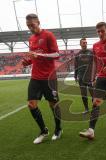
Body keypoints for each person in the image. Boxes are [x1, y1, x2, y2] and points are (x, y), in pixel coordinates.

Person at [22, 13, 62, 144]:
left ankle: (58, 129)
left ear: (38, 22)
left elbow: (57, 54)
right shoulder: (31, 38)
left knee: (53, 104)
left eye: (32, 25)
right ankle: (44, 130)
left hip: (49, 77)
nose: (30, 28)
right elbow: (34, 57)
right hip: (35, 77)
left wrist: (39, 55)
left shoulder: (48, 35)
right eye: (28, 26)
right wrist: (27, 62)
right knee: (31, 104)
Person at [74, 38, 94, 114]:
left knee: (93, 94)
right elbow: (76, 66)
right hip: (81, 77)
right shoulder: (78, 54)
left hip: (89, 77)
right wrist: (75, 76)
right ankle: (86, 109)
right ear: (80, 44)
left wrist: (94, 75)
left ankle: (94, 108)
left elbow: (94, 64)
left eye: (86, 42)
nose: (85, 44)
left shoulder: (91, 53)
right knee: (83, 94)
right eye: (83, 43)